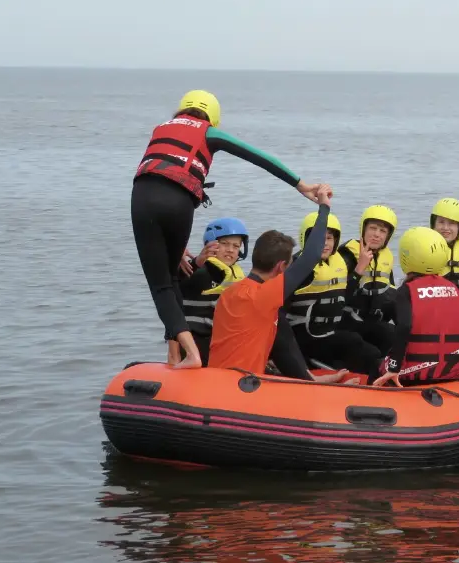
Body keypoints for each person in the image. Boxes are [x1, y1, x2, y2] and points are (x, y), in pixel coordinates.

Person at [131, 90, 331, 368]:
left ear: (180, 110)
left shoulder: (160, 128)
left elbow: (157, 170)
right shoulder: (210, 132)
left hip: (144, 198)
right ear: (213, 117)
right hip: (180, 203)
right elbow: (258, 156)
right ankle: (189, 356)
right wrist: (299, 184)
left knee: (162, 284)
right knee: (173, 281)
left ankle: (179, 354)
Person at [208, 205, 349, 383]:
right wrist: (324, 207)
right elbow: (311, 255)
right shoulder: (263, 296)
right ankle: (309, 383)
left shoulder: (230, 292)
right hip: (239, 388)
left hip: (214, 380)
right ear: (281, 267)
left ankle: (307, 379)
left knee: (279, 322)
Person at [373, 228, 459, 387]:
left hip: (417, 374)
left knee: (373, 362)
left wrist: (394, 367)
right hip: (455, 372)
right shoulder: (453, 289)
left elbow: (404, 326)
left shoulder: (406, 290)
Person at [286, 210, 383, 379]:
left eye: (329, 238)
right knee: (360, 346)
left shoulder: (336, 263)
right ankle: (378, 390)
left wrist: (359, 269)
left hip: (327, 334)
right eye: (318, 238)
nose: (324, 243)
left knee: (370, 337)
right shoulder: (298, 268)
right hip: (304, 339)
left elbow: (343, 297)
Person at [179, 217, 248, 364]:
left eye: (236, 246)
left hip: (220, 343)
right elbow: (178, 280)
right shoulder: (199, 272)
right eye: (224, 244)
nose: (230, 250)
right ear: (210, 244)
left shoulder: (237, 276)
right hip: (195, 343)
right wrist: (195, 262)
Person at [339, 205, 400, 356]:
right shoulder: (346, 255)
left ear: (388, 236)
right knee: (378, 344)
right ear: (364, 229)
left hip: (373, 323)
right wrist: (360, 267)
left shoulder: (385, 260)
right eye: (373, 228)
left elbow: (391, 299)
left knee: (397, 334)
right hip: (347, 323)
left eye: (383, 231)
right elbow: (338, 299)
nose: (377, 235)